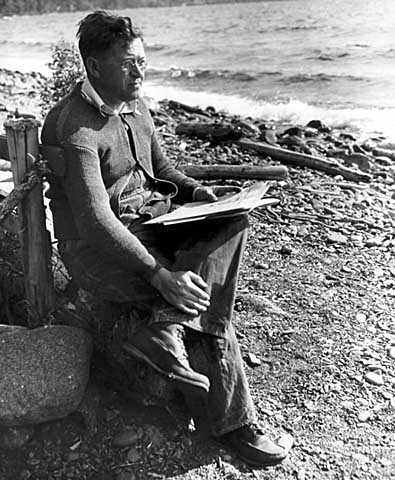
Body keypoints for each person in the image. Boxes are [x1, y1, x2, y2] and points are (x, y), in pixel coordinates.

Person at [41, 10, 292, 468]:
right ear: (94, 67)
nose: (140, 72)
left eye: (142, 60)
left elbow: (163, 172)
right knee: (203, 296)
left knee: (232, 225)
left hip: (153, 224)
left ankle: (162, 326)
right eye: (127, 64)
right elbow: (97, 222)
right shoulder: (72, 126)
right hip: (99, 251)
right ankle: (235, 426)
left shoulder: (134, 105)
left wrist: (200, 194)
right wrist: (161, 277)